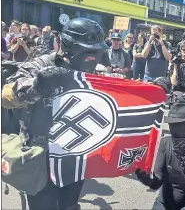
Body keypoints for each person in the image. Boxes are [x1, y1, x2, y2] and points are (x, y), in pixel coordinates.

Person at [1, 18, 109, 210]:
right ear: (68, 46)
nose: (92, 58)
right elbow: (6, 95)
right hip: (41, 155)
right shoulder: (42, 64)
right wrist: (37, 86)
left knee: (69, 206)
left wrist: (152, 91)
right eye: (88, 51)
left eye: (96, 52)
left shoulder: (91, 73)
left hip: (74, 154)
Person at [135, 101, 185, 210]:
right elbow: (156, 183)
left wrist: (184, 181)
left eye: (178, 124)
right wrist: (147, 179)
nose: (172, 127)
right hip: (164, 204)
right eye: (171, 124)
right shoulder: (165, 143)